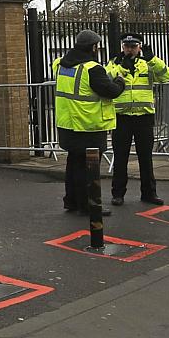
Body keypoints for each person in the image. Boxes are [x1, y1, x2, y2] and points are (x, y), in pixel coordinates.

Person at [51, 30, 124, 214]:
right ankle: (90, 205)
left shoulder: (61, 64)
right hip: (88, 125)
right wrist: (120, 81)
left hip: (67, 125)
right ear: (93, 47)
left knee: (73, 164)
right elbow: (112, 91)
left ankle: (72, 201)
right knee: (89, 168)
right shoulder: (92, 68)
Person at [104, 34, 169, 206]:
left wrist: (153, 59)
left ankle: (149, 193)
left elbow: (166, 76)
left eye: (133, 46)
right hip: (122, 117)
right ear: (122, 47)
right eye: (126, 46)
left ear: (139, 47)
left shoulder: (147, 64)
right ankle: (118, 193)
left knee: (146, 157)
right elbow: (105, 78)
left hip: (144, 116)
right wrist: (122, 67)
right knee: (120, 157)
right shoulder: (114, 63)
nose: (130, 49)